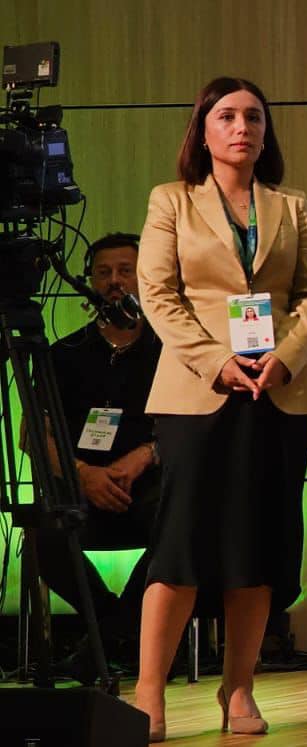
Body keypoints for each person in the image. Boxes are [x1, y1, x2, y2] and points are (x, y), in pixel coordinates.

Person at [135, 76, 307, 741]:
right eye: (227, 116)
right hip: (198, 392)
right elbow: (158, 294)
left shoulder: (292, 206)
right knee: (181, 543)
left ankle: (238, 687)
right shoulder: (171, 200)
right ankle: (149, 691)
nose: (242, 127)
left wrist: (288, 356)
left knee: (261, 544)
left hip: (278, 390)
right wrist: (215, 360)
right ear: (203, 129)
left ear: (266, 132)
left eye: (253, 116)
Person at [25, 232, 162, 681]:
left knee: (181, 526)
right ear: (90, 281)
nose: (114, 281)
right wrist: (83, 474)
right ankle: (117, 634)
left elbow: (194, 427)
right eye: (103, 272)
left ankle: (102, 644)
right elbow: (33, 434)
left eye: (125, 271)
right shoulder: (64, 352)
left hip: (149, 487)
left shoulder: (170, 349)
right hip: (81, 487)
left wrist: (145, 455)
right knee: (44, 533)